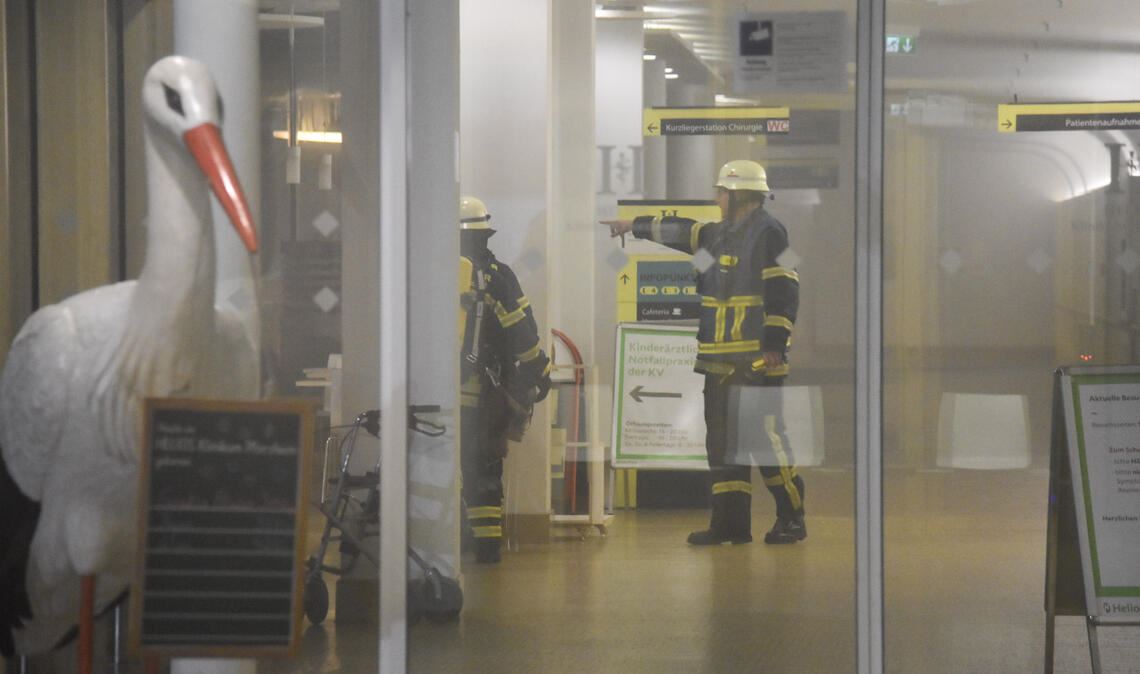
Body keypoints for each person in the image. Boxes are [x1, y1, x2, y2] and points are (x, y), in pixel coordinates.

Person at [603, 160, 804, 545]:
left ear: (739, 195)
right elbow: (681, 231)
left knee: (765, 443)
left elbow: (787, 284)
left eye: (721, 193)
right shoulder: (718, 235)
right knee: (723, 447)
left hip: (756, 362)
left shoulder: (772, 233)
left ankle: (792, 517)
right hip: (718, 361)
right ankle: (730, 524)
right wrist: (633, 226)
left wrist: (775, 345)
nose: (716, 199)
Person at [459, 195, 552, 563]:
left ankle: (451, 541)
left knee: (444, 466)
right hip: (483, 391)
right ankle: (486, 547)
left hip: (440, 391)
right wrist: (539, 372)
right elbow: (522, 333)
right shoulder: (498, 277)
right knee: (484, 465)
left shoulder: (432, 271)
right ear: (486, 233)